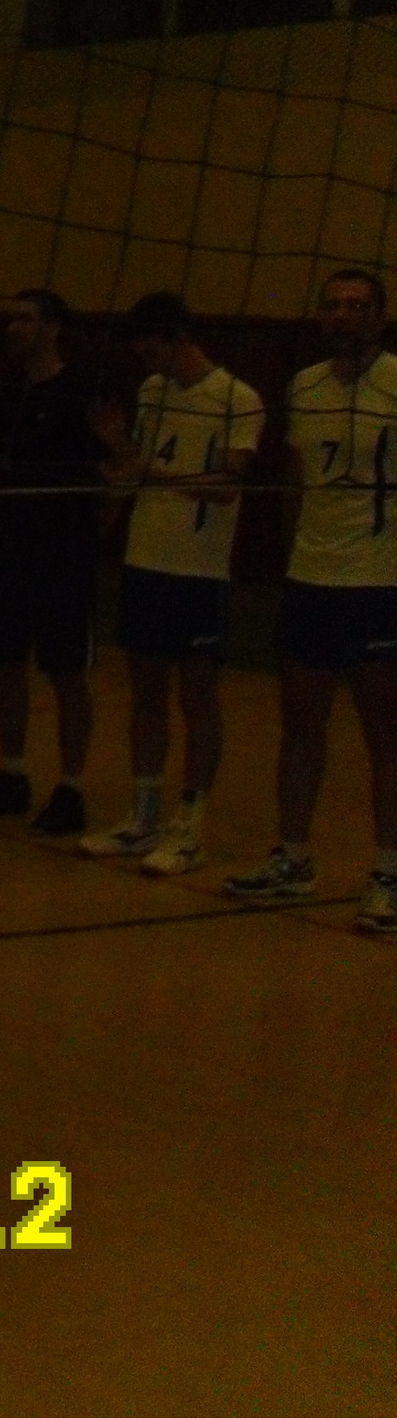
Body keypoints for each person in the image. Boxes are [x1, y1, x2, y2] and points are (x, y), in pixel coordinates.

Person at [222, 270, 397, 934]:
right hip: (311, 580)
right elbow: (296, 480)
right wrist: (296, 558)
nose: (344, 315)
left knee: (384, 731)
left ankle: (389, 873)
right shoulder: (305, 385)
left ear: (379, 317)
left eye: (357, 306)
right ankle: (293, 859)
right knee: (300, 723)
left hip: (379, 581)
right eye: (333, 305)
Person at [82, 294, 262, 874]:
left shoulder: (238, 399)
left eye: (150, 347)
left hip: (199, 572)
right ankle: (143, 818)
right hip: (145, 562)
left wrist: (146, 470)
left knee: (198, 698)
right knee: (146, 693)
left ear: (179, 335)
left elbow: (226, 488)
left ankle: (190, 827)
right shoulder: (152, 391)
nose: (144, 358)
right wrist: (118, 457)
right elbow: (138, 470)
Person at [0, 289, 110, 836]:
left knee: (66, 671)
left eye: (25, 318)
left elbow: (117, 465)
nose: (13, 327)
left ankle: (71, 788)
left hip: (63, 552)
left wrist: (96, 530)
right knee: (4, 661)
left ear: (54, 327)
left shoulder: (82, 392)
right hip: (9, 546)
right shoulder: (9, 390)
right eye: (11, 318)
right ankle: (11, 775)